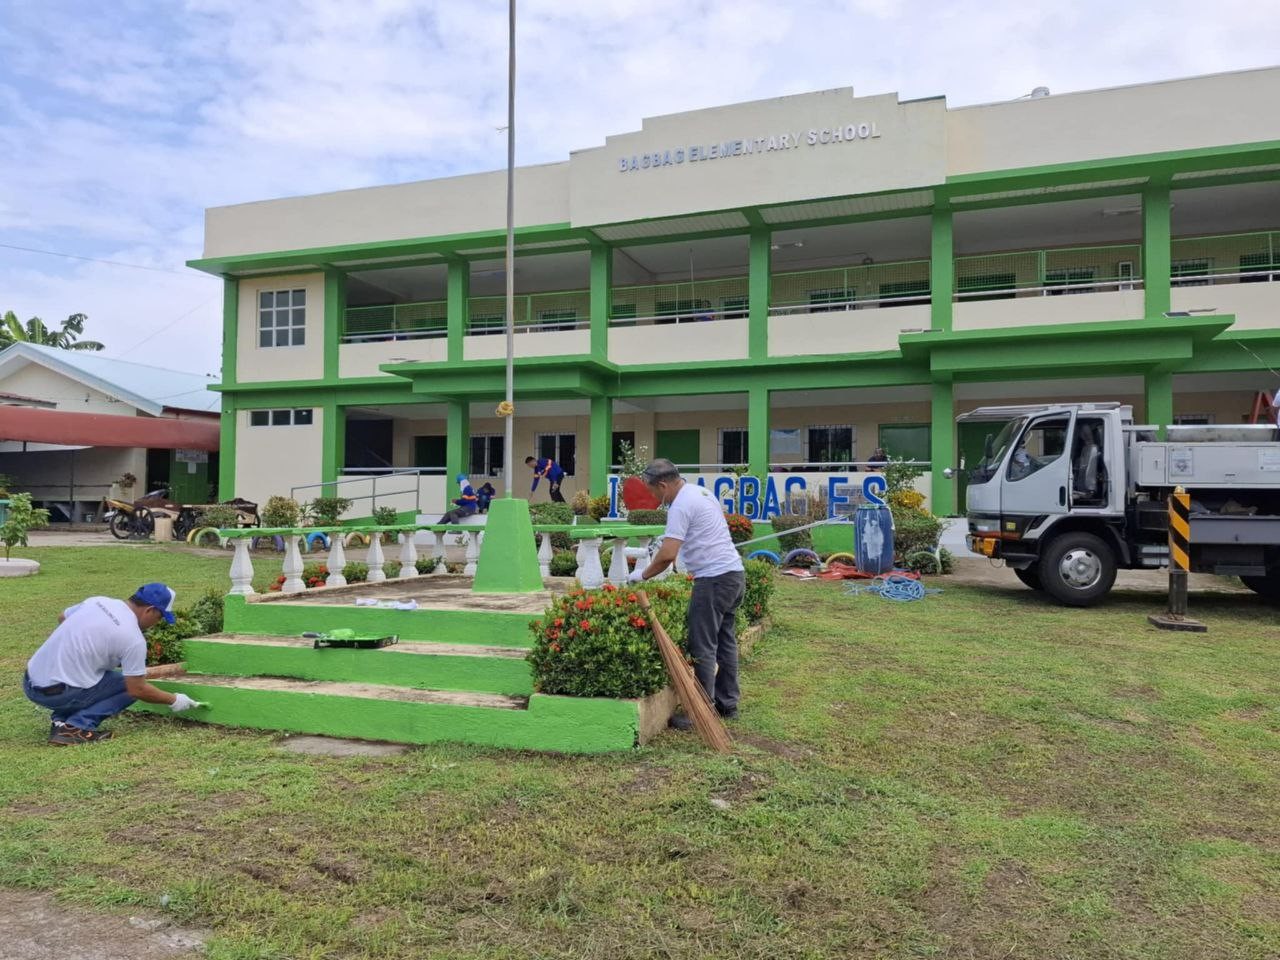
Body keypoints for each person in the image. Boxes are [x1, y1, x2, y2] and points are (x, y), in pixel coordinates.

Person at [628, 459, 745, 727]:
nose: (654, 498)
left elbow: (667, 555)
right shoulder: (701, 492)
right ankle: (727, 704)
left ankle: (701, 712)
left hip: (713, 581)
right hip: (734, 575)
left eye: (653, 492)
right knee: (725, 642)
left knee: (702, 646)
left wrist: (641, 575)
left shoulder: (680, 505)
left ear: (663, 485)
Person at [23, 583, 201, 746]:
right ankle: (77, 727)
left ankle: (60, 720)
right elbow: (137, 689)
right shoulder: (133, 638)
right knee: (129, 686)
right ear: (150, 610)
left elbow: (62, 617)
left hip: (30, 681)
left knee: (106, 678)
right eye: (160, 617)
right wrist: (174, 700)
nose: (157, 623)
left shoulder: (98, 602)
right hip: (59, 693)